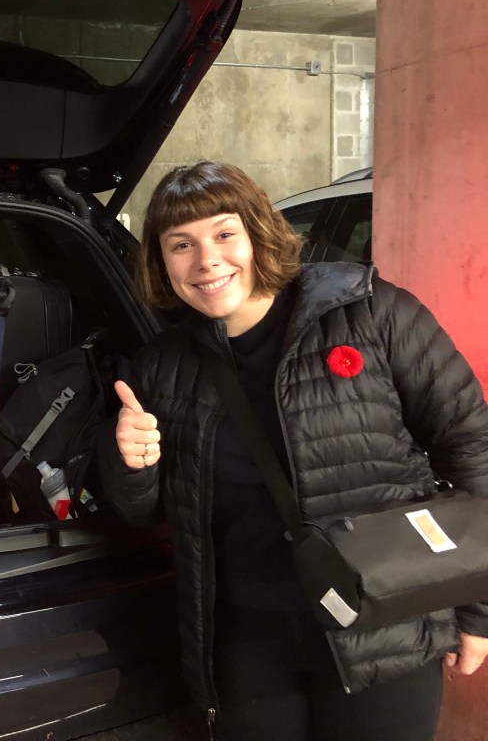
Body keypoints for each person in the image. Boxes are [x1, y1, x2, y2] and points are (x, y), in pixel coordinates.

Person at [98, 161, 488, 741]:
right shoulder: (163, 365)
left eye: (224, 234)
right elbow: (143, 512)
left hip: (384, 622)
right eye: (182, 244)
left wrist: (479, 608)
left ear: (258, 232)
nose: (207, 260)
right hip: (248, 637)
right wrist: (130, 462)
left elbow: (472, 449)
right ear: (162, 262)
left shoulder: (371, 314)